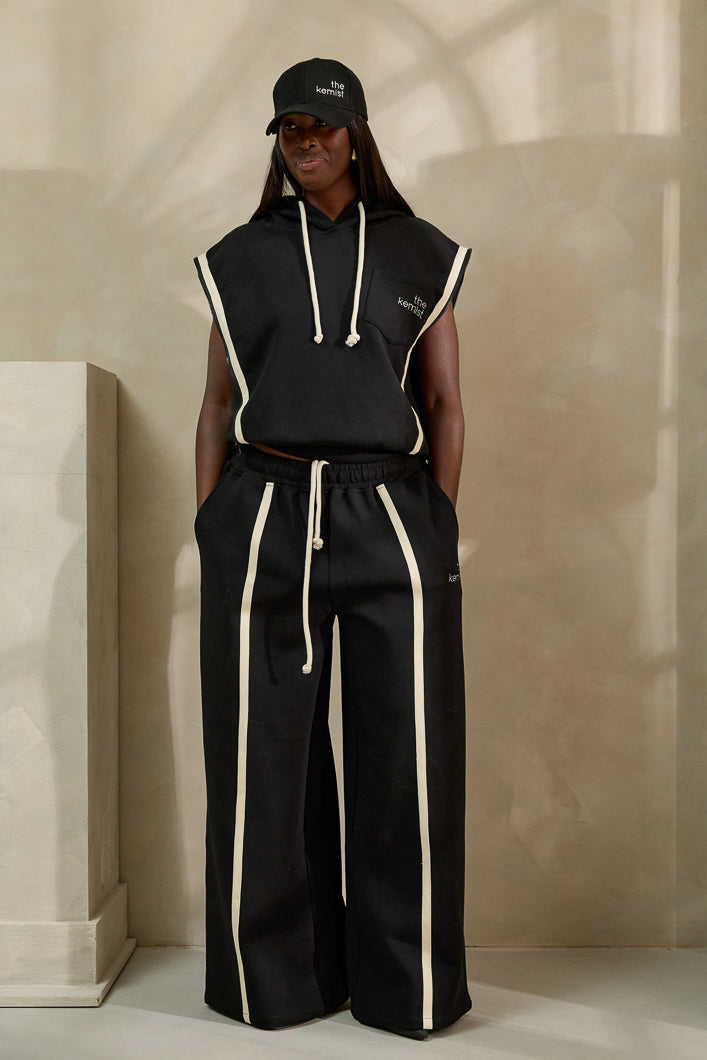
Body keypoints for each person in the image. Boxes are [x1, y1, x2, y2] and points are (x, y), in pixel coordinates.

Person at [194, 57, 471, 1041]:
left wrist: (433, 526)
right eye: (288, 128)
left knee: (407, 759)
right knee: (262, 758)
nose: (303, 141)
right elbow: (216, 404)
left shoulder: (416, 251)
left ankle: (406, 989)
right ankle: (277, 983)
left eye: (319, 125)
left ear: (355, 134)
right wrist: (211, 524)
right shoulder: (240, 256)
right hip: (264, 509)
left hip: (388, 510)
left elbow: (443, 403)